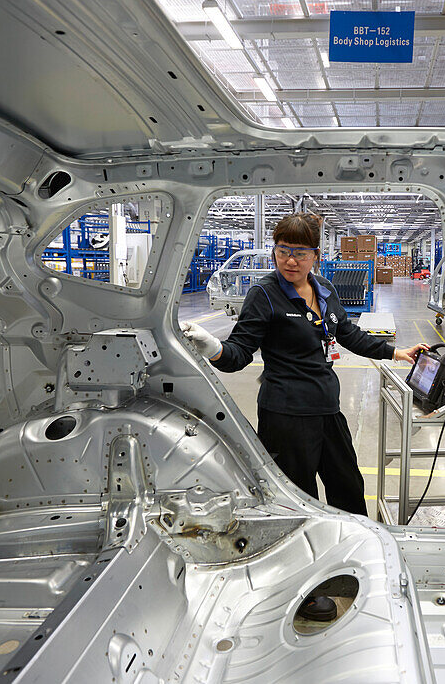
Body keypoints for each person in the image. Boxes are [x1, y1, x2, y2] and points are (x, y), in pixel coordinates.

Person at [180, 213, 428, 621]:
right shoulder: (265, 295)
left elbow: (348, 334)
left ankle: (353, 562)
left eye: (299, 252)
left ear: (316, 254)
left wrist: (395, 352)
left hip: (327, 409)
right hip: (286, 414)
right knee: (297, 498)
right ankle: (300, 588)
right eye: (282, 251)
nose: (289, 260)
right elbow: (239, 354)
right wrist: (213, 348)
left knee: (348, 487)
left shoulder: (325, 289)